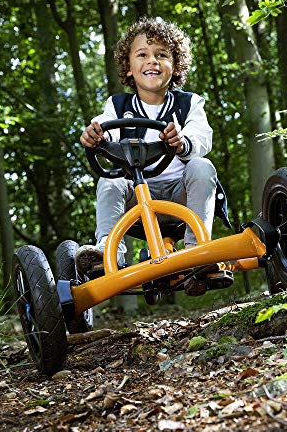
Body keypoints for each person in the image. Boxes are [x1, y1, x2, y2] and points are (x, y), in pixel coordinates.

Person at [75, 16, 230, 296]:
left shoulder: (189, 103)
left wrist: (183, 142)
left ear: (176, 65)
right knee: (110, 182)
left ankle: (197, 252)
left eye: (162, 55)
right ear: (129, 68)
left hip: (180, 192)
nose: (152, 61)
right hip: (137, 198)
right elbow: (105, 127)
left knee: (202, 167)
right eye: (142, 55)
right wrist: (97, 135)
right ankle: (108, 253)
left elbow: (202, 136)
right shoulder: (118, 105)